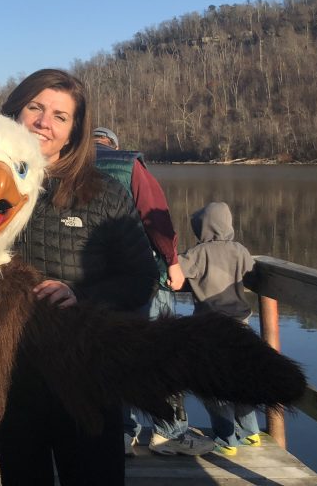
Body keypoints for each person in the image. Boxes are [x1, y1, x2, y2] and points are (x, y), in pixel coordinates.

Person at [0, 69, 157, 486]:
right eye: (35, 108)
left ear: (73, 132)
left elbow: (141, 276)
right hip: (10, 376)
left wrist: (79, 294)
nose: (44, 122)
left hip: (88, 377)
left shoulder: (104, 193)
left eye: (60, 116)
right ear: (15, 111)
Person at [92, 126, 213, 457]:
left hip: (92, 283)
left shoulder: (67, 165)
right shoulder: (130, 165)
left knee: (108, 355)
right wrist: (173, 262)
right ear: (115, 145)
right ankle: (168, 433)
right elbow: (154, 219)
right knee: (161, 353)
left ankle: (119, 432)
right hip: (143, 277)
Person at [179, 201, 262, 457]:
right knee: (240, 378)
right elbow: (251, 275)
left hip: (211, 329)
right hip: (241, 325)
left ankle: (227, 438)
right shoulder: (240, 250)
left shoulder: (198, 253)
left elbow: (174, 274)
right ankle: (251, 432)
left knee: (212, 384)